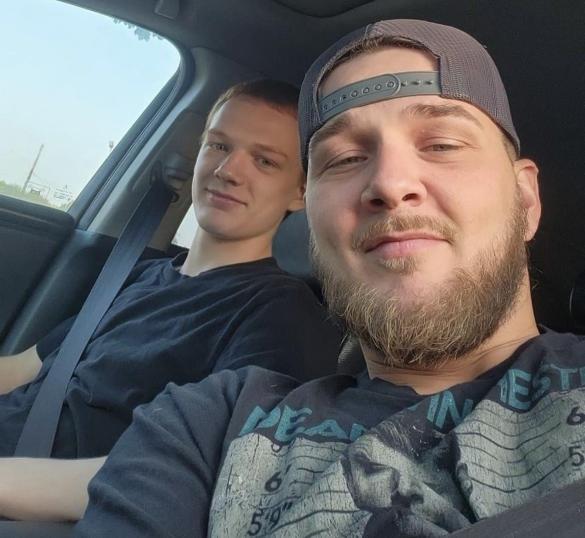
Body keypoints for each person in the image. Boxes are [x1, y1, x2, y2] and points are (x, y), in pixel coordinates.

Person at [75, 19, 583, 537]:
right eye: (344, 159)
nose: (389, 182)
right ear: (311, 219)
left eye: (442, 144)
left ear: (525, 199)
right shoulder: (206, 424)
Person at [0, 79, 343, 521]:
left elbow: (193, 476)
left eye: (264, 160)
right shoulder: (141, 276)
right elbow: (25, 368)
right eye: (218, 146)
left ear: (300, 191)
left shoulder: (283, 317)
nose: (228, 170)